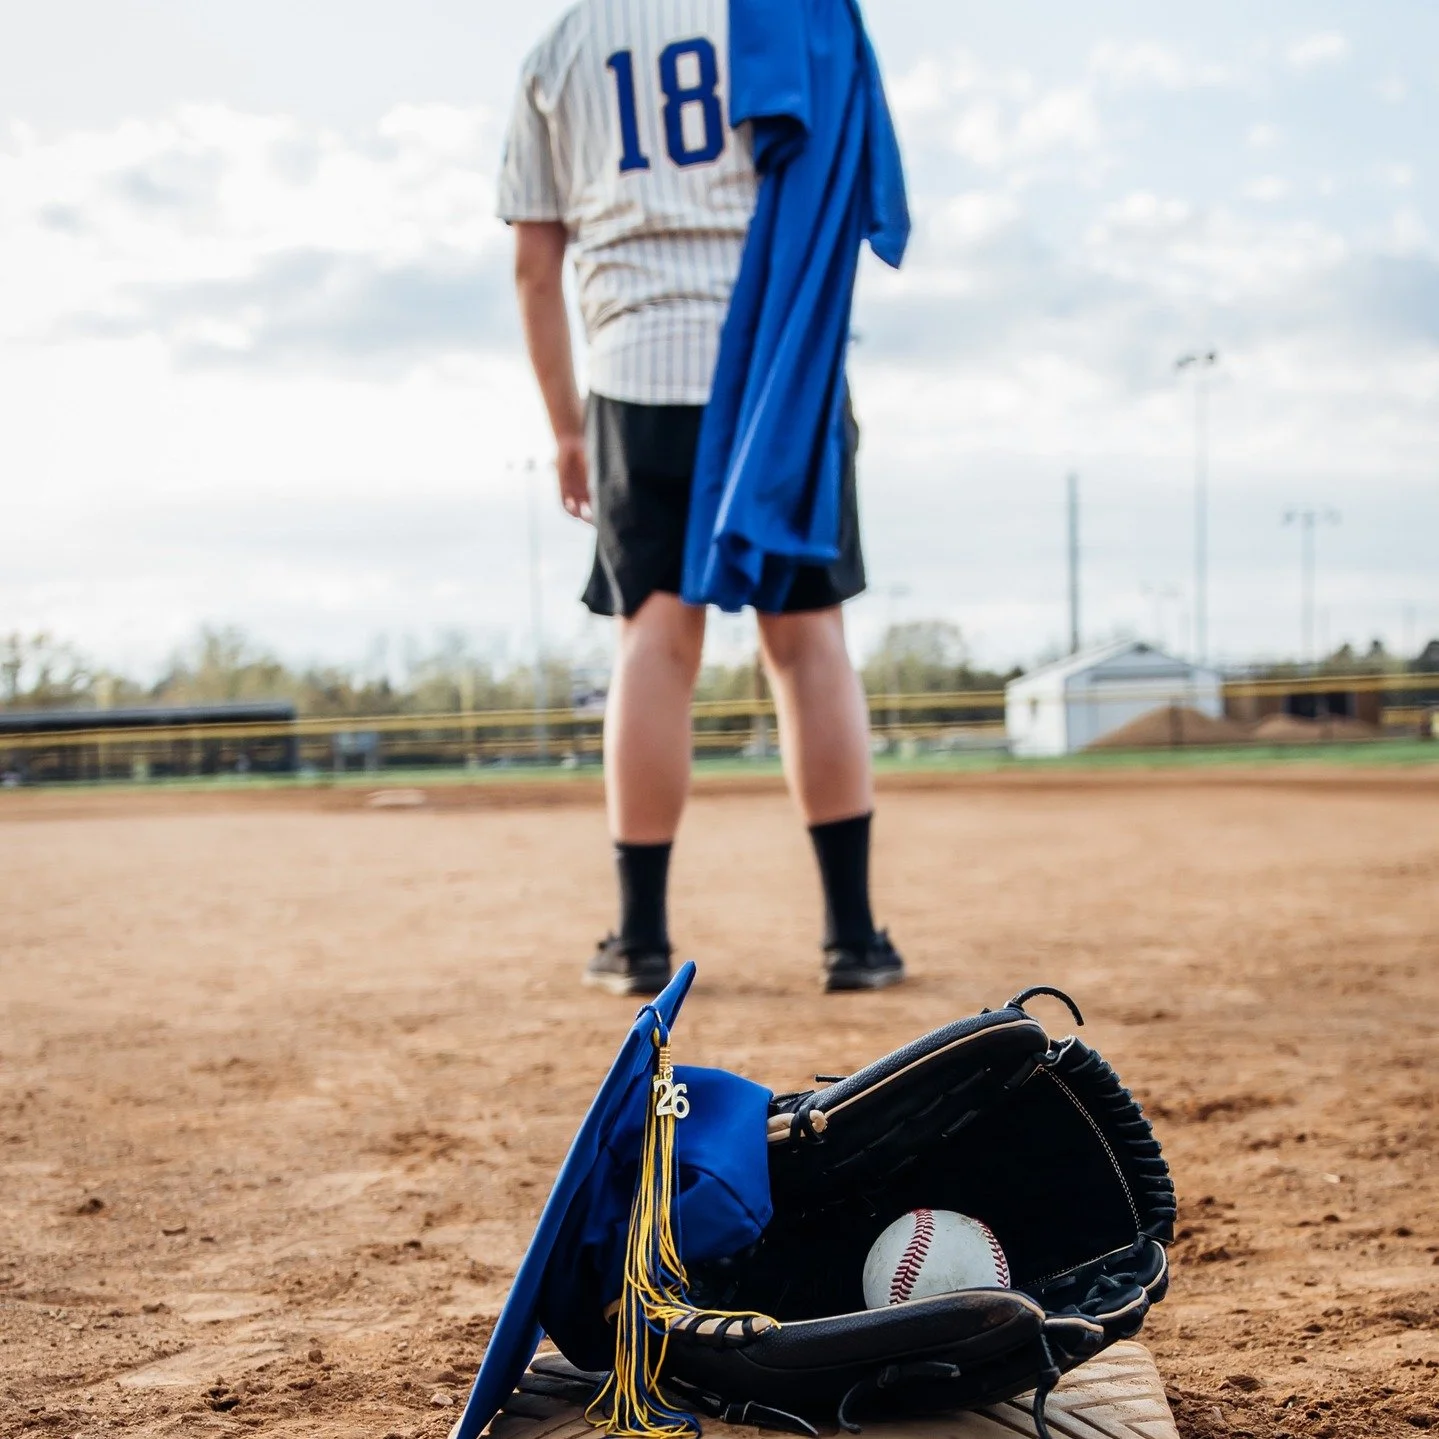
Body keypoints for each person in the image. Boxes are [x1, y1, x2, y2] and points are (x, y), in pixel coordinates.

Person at [497, 0, 904, 996]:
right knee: (806, 639)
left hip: (637, 367)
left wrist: (564, 426)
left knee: (653, 639)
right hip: (773, 363)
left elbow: (533, 267)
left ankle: (638, 937)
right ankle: (851, 938)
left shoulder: (560, 45)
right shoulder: (780, 12)